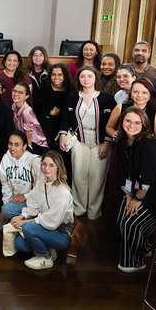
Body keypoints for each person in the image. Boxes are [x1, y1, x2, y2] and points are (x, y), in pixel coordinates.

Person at [115, 107, 156, 272]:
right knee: (122, 219)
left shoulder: (149, 144)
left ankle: (134, 262)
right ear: (121, 122)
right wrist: (129, 197)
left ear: (144, 125)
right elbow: (125, 173)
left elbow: (147, 177)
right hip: (138, 190)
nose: (131, 125)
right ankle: (144, 249)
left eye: (137, 122)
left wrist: (137, 200)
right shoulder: (122, 141)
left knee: (130, 222)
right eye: (128, 121)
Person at [59, 65, 116, 220]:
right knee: (79, 174)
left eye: (89, 76)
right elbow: (65, 117)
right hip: (79, 140)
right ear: (78, 79)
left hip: (101, 141)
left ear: (95, 78)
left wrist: (107, 143)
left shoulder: (107, 98)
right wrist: (63, 135)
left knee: (97, 176)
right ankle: (79, 206)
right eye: (82, 76)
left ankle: (94, 210)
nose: (86, 79)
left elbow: (114, 123)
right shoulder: (72, 96)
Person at [5, 151, 74, 271]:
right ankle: (49, 246)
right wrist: (22, 216)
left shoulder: (63, 192)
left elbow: (51, 221)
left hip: (61, 231)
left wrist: (26, 222)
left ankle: (46, 257)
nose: (46, 168)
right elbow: (34, 202)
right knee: (19, 245)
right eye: (44, 164)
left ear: (58, 168)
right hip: (46, 225)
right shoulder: (42, 181)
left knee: (27, 228)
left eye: (51, 165)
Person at [0, 130, 40, 229]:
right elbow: (6, 186)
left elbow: (42, 188)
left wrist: (26, 196)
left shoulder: (35, 161)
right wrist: (4, 209)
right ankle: (23, 226)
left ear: (24, 146)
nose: (12, 148)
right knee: (1, 226)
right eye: (10, 144)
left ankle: (27, 223)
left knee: (8, 212)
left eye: (17, 145)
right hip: (17, 201)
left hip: (33, 200)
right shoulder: (6, 159)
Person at [106, 79, 156, 144]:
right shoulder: (120, 108)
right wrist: (114, 134)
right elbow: (109, 127)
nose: (139, 95)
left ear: (150, 95)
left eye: (144, 92)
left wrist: (148, 146)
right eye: (135, 92)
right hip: (122, 148)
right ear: (131, 93)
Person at [35, 64, 73, 154]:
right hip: (46, 124)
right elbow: (36, 107)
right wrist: (49, 112)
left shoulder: (71, 89)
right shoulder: (44, 86)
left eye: (60, 75)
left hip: (64, 125)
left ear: (64, 76)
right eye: (53, 74)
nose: (56, 77)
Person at [11, 82, 48, 153]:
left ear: (26, 96)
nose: (15, 94)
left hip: (36, 144)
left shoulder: (27, 111)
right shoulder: (13, 106)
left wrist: (28, 151)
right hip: (22, 140)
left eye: (20, 92)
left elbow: (29, 136)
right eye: (14, 91)